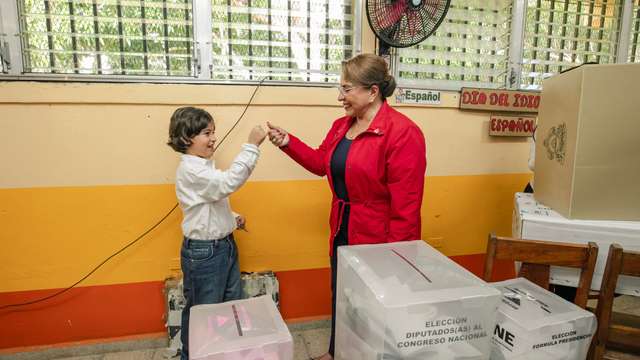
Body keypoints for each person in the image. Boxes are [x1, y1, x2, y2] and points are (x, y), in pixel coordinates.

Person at [267, 53, 427, 360]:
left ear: (372, 91)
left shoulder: (403, 133)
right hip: (342, 228)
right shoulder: (342, 126)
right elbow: (320, 163)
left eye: (347, 89)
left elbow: (406, 208)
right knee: (343, 297)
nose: (340, 97)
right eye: (340, 88)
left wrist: (397, 259)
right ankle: (335, 352)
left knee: (374, 307)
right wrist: (288, 141)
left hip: (377, 239)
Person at [166, 107, 267, 360]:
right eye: (206, 133)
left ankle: (223, 354)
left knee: (230, 308)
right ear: (186, 137)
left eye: (213, 132)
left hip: (224, 247)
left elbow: (207, 204)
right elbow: (225, 184)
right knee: (204, 315)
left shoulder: (203, 167)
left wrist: (232, 219)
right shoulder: (192, 170)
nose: (213, 138)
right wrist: (251, 146)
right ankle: (193, 356)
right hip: (205, 253)